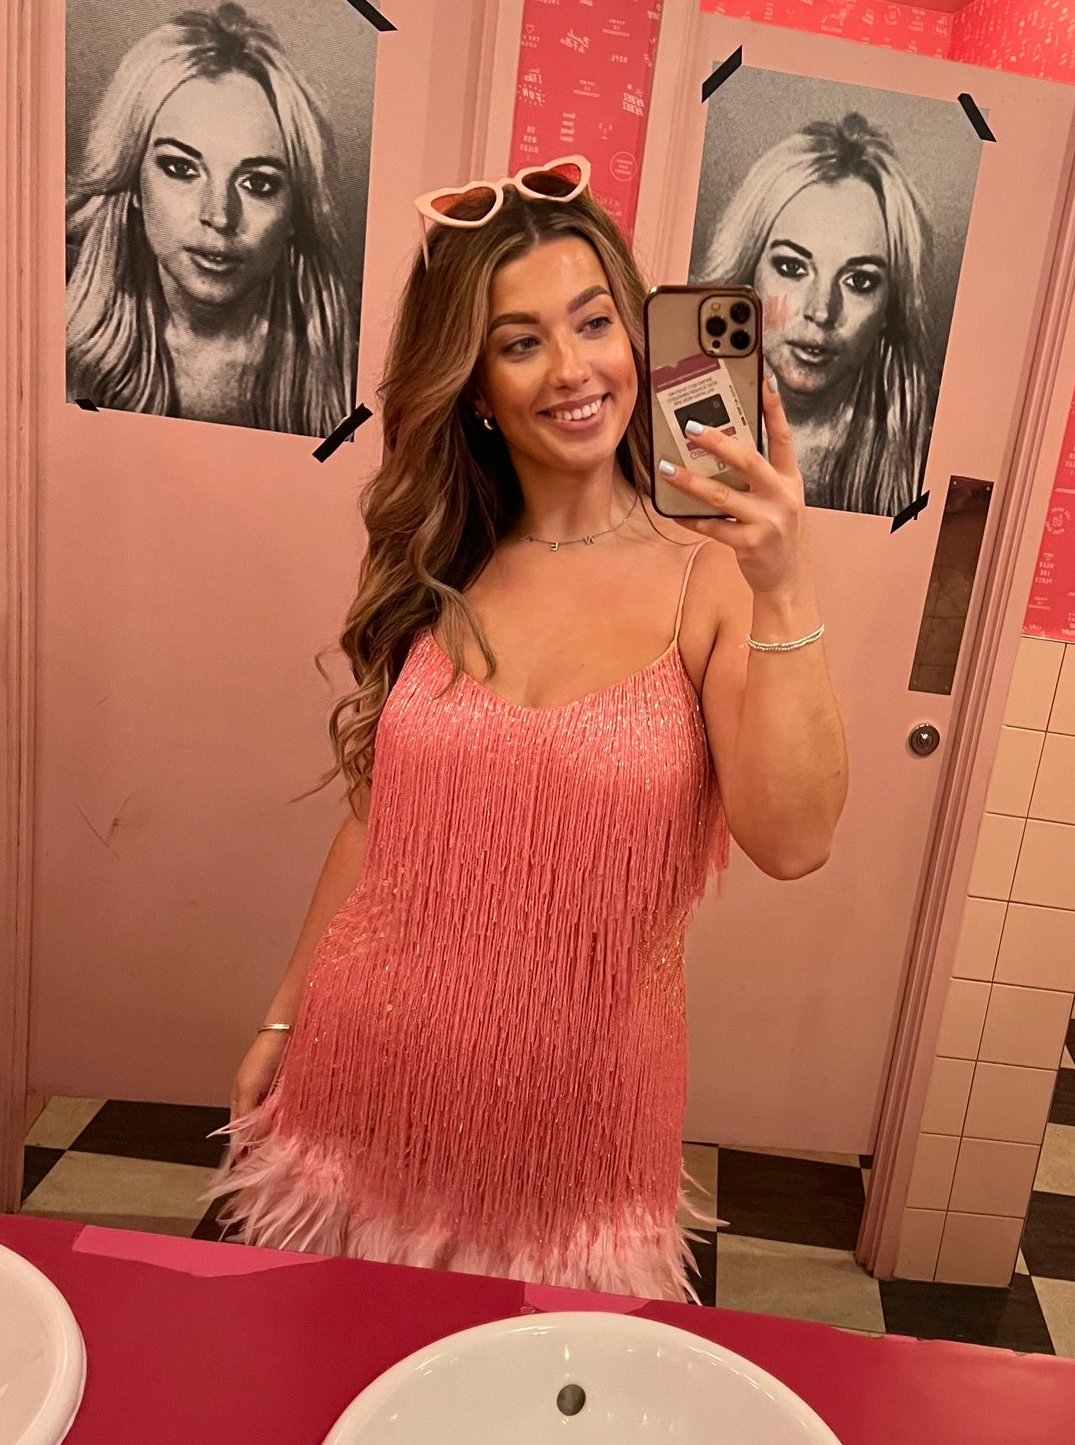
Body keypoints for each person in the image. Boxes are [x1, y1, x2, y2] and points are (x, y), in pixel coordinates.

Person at [205, 157, 848, 1302]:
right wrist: (283, 1012)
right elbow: (373, 831)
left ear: (637, 338)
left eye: (594, 321)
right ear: (473, 386)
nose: (572, 369)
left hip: (576, 1141)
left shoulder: (709, 577)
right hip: (361, 1083)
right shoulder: (443, 564)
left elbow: (793, 840)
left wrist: (785, 581)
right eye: (519, 341)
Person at [65, 3, 354, 437]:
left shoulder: (355, 376)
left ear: (296, 211)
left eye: (258, 183)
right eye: (181, 169)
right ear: (134, 181)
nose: (218, 216)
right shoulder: (49, 347)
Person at [697, 113, 940, 518]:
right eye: (792, 268)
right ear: (748, 274)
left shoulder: (928, 455)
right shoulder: (669, 409)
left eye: (859, 281)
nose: (821, 311)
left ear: (890, 307)